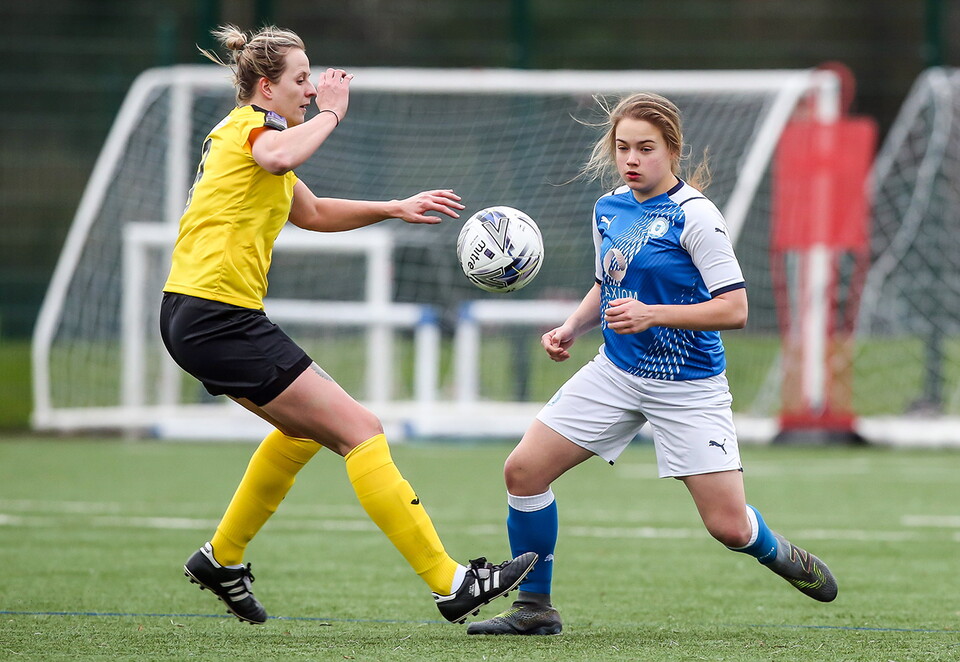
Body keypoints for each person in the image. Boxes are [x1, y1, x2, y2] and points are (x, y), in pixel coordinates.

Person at [160, 24, 536, 625]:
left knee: (305, 432)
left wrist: (394, 207)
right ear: (265, 86)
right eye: (301, 79)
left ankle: (221, 558)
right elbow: (279, 153)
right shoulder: (257, 132)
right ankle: (451, 583)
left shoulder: (258, 140)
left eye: (313, 80)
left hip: (201, 316)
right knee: (360, 429)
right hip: (216, 317)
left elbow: (309, 212)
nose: (311, 89)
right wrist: (333, 114)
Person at [466, 93, 837, 636]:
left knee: (729, 527)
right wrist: (571, 326)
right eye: (622, 148)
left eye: (645, 148)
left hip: (689, 386)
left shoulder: (697, 217)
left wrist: (653, 313)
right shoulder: (609, 208)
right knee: (523, 471)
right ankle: (535, 607)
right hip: (615, 374)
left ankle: (777, 550)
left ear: (671, 151)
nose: (631, 159)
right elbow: (606, 283)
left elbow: (735, 309)